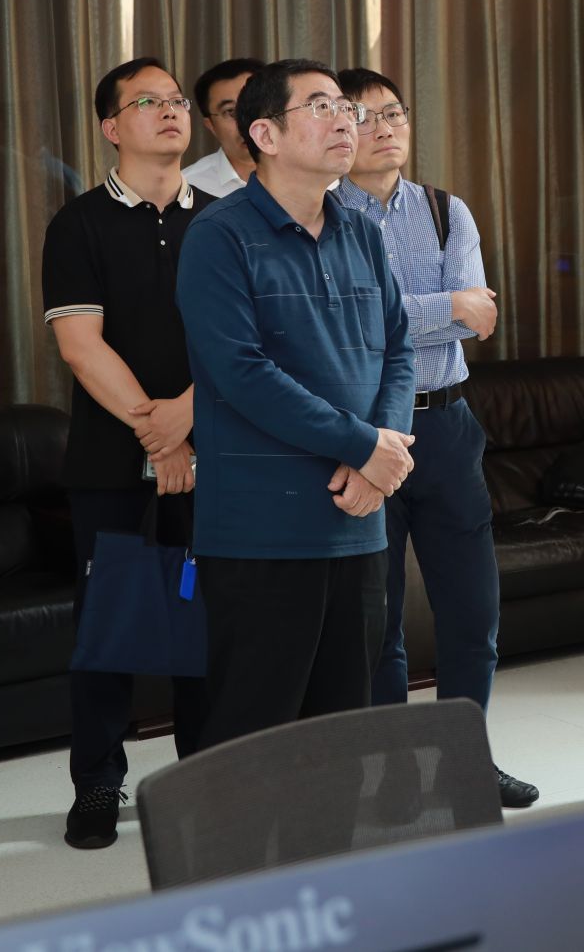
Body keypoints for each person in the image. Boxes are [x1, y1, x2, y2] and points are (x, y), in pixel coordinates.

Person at [176, 59, 416, 746]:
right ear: (265, 134)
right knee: (255, 738)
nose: (346, 120)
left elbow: (399, 352)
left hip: (357, 520)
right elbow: (241, 373)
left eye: (347, 108)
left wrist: (382, 455)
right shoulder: (219, 236)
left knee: (341, 732)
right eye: (321, 106)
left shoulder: (362, 232)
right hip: (262, 530)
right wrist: (363, 446)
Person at [335, 66, 537, 810]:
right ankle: (390, 770)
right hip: (367, 432)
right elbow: (351, 324)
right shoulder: (323, 216)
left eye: (394, 113)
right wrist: (442, 305)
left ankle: (464, 761)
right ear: (337, 129)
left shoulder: (447, 210)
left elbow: (479, 317)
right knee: (378, 618)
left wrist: (432, 309)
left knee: (472, 612)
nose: (384, 128)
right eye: (364, 117)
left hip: (448, 425)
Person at [42, 57, 215, 850]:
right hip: (112, 465)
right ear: (112, 126)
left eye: (176, 99)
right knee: (109, 626)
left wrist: (187, 422)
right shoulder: (79, 224)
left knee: (203, 619)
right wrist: (159, 433)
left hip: (212, 460)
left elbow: (242, 343)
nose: (170, 110)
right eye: (148, 101)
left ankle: (205, 774)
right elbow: (81, 346)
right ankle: (98, 782)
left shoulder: (223, 221)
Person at [183, 57, 265, 197]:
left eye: (253, 106)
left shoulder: (303, 171)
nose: (246, 121)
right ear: (211, 126)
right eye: (230, 111)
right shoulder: (188, 187)